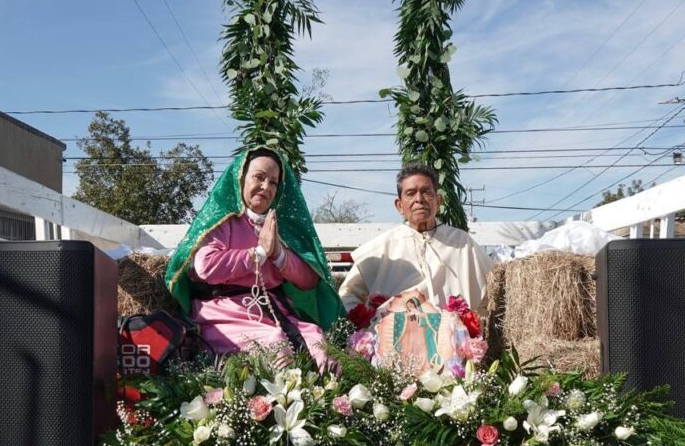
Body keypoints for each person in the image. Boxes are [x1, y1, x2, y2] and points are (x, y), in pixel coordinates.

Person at [165, 147, 343, 367]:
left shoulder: (279, 227)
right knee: (275, 346)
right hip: (225, 312)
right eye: (259, 177)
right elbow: (206, 266)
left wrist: (278, 254)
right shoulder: (223, 222)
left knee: (319, 345)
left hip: (272, 311)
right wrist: (259, 254)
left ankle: (321, 401)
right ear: (241, 179)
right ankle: (273, 402)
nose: (266, 187)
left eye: (273, 182)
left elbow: (309, 281)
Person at [338, 163, 495, 313]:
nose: (419, 199)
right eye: (411, 193)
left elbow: (494, 288)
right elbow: (348, 296)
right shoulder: (380, 249)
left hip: (455, 338)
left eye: (426, 191)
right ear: (399, 205)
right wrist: (366, 329)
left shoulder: (462, 243)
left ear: (438, 201)